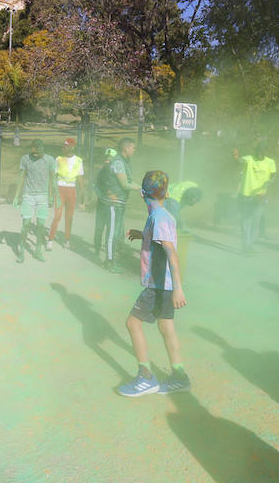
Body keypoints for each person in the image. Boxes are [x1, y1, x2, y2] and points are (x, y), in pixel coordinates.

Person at [119, 170, 189, 396]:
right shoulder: (164, 216)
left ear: (141, 194)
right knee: (166, 327)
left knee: (133, 323)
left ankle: (145, 377)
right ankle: (179, 376)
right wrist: (142, 235)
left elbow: (171, 252)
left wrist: (178, 289)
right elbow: (161, 242)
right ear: (166, 193)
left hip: (159, 286)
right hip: (165, 286)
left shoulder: (157, 217)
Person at [99, 138, 142, 272]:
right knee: (112, 233)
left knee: (117, 232)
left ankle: (112, 259)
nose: (134, 151)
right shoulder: (118, 162)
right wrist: (140, 189)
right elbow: (124, 184)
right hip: (113, 202)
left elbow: (129, 181)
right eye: (132, 148)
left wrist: (143, 188)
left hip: (119, 202)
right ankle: (109, 262)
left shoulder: (124, 162)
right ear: (126, 148)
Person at [13, 139, 56, 263]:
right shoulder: (25, 159)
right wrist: (16, 195)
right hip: (28, 196)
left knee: (41, 225)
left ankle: (38, 250)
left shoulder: (50, 160)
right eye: (33, 152)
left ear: (43, 149)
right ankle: (21, 251)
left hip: (43, 197)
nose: (35, 155)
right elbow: (21, 177)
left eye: (37, 152)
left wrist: (52, 196)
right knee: (26, 224)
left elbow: (53, 178)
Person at [233, 142, 276, 255]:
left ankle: (250, 245)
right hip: (246, 195)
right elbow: (240, 160)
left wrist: (267, 186)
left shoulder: (270, 162)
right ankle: (245, 246)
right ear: (255, 151)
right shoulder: (249, 159)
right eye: (258, 152)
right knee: (246, 221)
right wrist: (236, 156)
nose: (260, 154)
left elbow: (273, 177)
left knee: (256, 221)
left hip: (260, 196)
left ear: (265, 152)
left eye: (262, 152)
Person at [47, 138, 85, 250]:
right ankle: (50, 239)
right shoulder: (58, 159)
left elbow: (80, 179)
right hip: (60, 189)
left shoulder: (78, 161)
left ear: (71, 147)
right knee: (57, 216)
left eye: (65, 146)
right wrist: (50, 192)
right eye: (63, 146)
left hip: (71, 190)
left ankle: (67, 239)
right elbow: (53, 177)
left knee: (69, 217)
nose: (63, 148)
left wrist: (82, 195)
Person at [163, 181, 203, 277]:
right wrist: (183, 229)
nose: (193, 204)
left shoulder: (194, 187)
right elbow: (176, 218)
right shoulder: (174, 200)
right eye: (192, 201)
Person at [93, 148, 118, 256]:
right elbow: (95, 185)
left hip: (113, 205)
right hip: (102, 204)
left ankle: (112, 252)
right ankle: (97, 250)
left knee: (112, 230)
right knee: (99, 227)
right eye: (106, 157)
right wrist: (101, 196)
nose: (107, 159)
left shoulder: (117, 173)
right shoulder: (101, 172)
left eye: (110, 158)